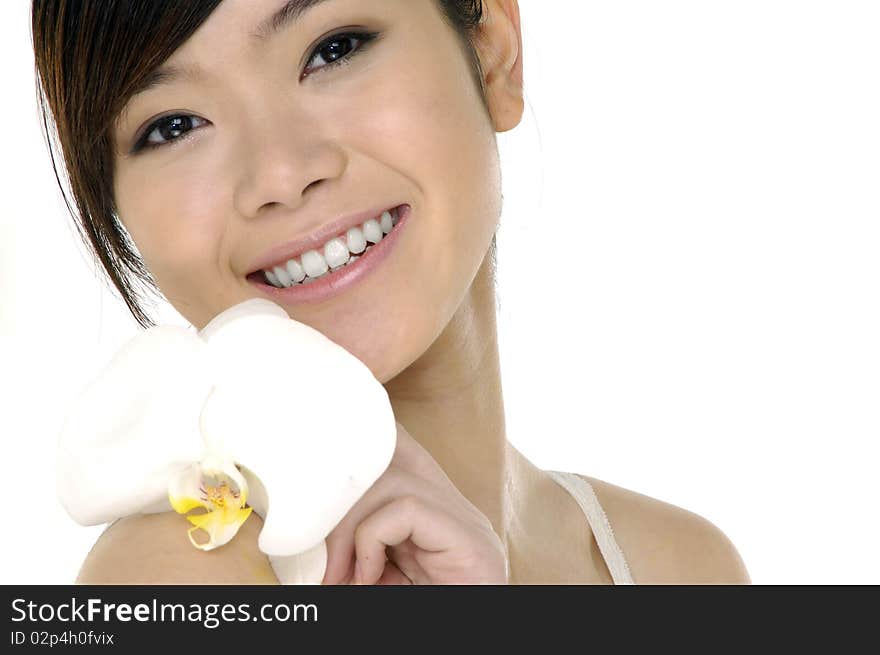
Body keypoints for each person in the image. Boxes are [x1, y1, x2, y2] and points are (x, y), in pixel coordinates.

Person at [30, 0, 750, 584]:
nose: (280, 173)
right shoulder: (176, 578)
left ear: (494, 51)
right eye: (174, 125)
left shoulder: (678, 567)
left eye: (333, 48)